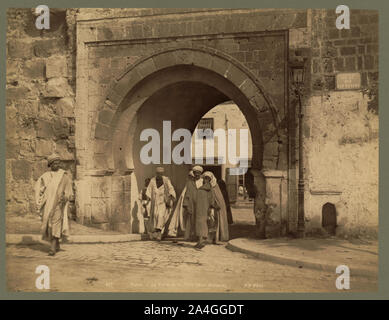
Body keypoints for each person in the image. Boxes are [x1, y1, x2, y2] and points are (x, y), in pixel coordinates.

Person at [34, 153, 74, 256]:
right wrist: (39, 200)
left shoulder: (64, 176)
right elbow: (38, 188)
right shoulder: (45, 176)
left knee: (55, 223)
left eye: (58, 162)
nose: (57, 164)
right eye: (54, 163)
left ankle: (52, 247)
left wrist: (66, 197)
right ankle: (57, 245)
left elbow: (69, 191)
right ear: (50, 164)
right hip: (48, 204)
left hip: (59, 204)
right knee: (48, 224)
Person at [145, 167, 176, 241]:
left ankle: (158, 233)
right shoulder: (152, 180)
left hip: (163, 201)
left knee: (160, 216)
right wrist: (148, 198)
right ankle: (157, 233)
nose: (159, 175)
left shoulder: (166, 180)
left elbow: (171, 188)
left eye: (161, 173)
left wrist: (171, 195)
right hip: (155, 201)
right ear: (156, 173)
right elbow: (149, 190)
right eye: (158, 173)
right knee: (155, 216)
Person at [194, 171, 216, 249]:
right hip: (199, 208)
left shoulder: (209, 189)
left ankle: (201, 241)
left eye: (207, 178)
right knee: (199, 223)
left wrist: (211, 208)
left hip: (205, 208)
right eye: (204, 178)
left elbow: (212, 199)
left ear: (209, 180)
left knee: (202, 223)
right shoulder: (202, 188)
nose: (205, 180)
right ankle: (199, 241)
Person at [206, 172, 229, 244]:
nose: (207, 180)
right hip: (207, 207)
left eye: (209, 178)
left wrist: (215, 205)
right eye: (206, 178)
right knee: (208, 223)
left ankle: (215, 238)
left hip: (215, 208)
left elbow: (219, 199)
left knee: (214, 223)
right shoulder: (205, 186)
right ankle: (208, 238)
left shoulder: (215, 186)